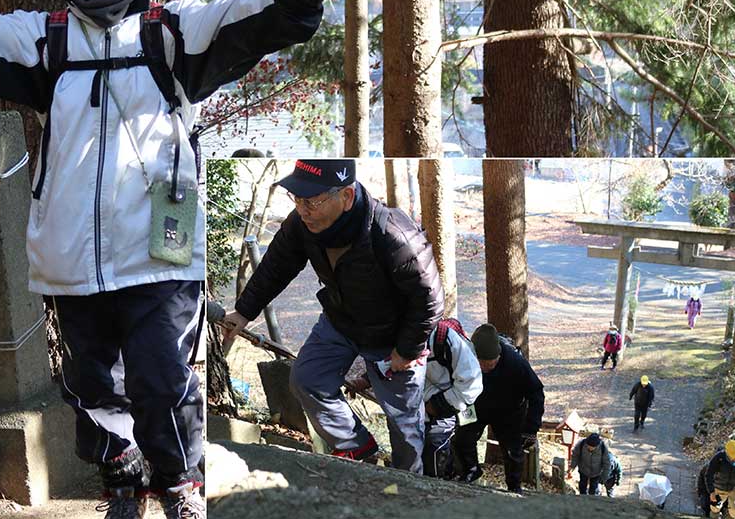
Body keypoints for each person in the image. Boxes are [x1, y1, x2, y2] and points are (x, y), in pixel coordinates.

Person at [0, 0, 386, 517]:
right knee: (91, 384)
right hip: (72, 259)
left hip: (159, 257)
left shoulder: (171, 34)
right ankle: (122, 478)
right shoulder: (46, 39)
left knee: (163, 381)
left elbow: (248, 15)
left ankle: (179, 484)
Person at [223, 159, 445, 474]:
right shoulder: (303, 224)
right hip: (341, 321)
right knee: (306, 379)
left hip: (393, 337)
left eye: (311, 201)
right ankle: (358, 447)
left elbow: (430, 300)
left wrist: (407, 350)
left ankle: (408, 487)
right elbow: (276, 266)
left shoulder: (392, 234)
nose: (302, 209)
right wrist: (244, 311)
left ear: (347, 196)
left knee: (404, 424)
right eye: (297, 199)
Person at [451, 324, 545, 493]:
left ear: (499, 355)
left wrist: (531, 427)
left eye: (490, 364)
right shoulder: (465, 357)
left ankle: (514, 487)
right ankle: (470, 471)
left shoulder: (516, 363)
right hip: (475, 406)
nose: (486, 368)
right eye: (481, 365)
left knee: (513, 451)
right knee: (461, 438)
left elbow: (536, 392)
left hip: (508, 412)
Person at [419, 317, 482, 479]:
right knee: (443, 442)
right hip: (438, 400)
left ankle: (470, 472)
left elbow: (471, 383)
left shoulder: (446, 342)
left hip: (461, 400)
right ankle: (455, 472)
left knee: (463, 438)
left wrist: (438, 405)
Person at [704, 440, 735, 518]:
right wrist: (712, 492)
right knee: (715, 506)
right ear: (727, 453)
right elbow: (709, 474)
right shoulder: (719, 458)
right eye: (733, 457)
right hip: (720, 487)